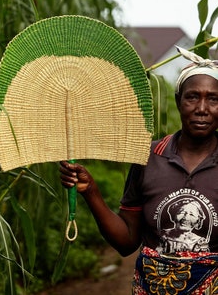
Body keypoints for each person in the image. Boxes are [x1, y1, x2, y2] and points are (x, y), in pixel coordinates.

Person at [59, 46, 218, 294]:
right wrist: (90, 191)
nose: (202, 108)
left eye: (213, 99)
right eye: (192, 97)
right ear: (179, 101)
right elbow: (126, 242)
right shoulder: (148, 157)